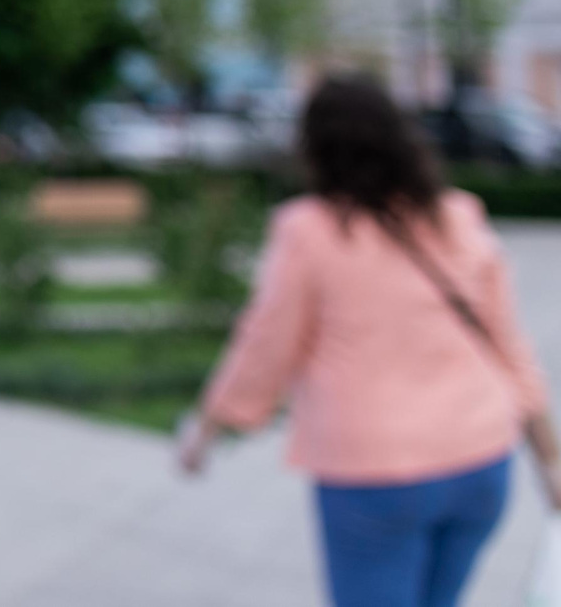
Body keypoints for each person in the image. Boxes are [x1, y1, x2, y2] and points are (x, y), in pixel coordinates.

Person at [179, 73, 561, 607]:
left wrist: (208, 428)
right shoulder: (457, 216)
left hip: (374, 473)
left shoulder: (310, 231)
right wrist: (550, 460)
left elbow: (265, 346)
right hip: (480, 462)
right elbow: (508, 345)